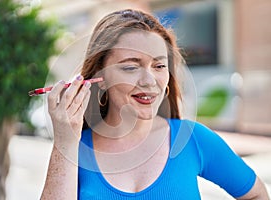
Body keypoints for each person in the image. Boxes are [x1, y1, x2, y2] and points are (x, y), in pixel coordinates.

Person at [41, 9, 269, 200]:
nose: (149, 82)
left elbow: (257, 195)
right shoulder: (75, 148)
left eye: (159, 66)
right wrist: (65, 142)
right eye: (130, 67)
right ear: (100, 78)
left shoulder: (193, 139)